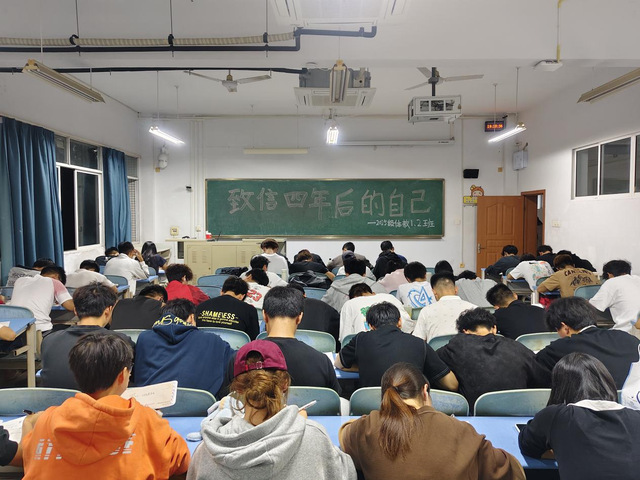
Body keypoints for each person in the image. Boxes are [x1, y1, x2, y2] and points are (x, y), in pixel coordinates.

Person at [22, 333, 190, 479]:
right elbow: (182, 461)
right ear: (122, 375)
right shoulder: (147, 420)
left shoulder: (46, 421)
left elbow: (28, 455)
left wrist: (28, 423)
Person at [187, 340, 356, 480]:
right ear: (285, 384)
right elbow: (346, 473)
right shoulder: (316, 439)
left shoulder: (207, 451)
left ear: (237, 389)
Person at [340, 363, 525, 480]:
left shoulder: (367, 428)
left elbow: (345, 436)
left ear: (385, 397)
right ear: (425, 391)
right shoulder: (461, 431)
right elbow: (509, 469)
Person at [519, 353, 640, 480]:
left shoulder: (557, 416)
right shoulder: (636, 418)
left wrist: (561, 448)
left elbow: (527, 445)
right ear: (607, 383)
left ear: (561, 388)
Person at [336, 302, 458, 390]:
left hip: (372, 409)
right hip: (410, 410)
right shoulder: (419, 344)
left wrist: (364, 366)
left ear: (370, 326)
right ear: (399, 322)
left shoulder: (360, 339)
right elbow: (452, 384)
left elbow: (339, 364)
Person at [437, 308, 543, 407]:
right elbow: (540, 377)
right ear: (494, 329)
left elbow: (435, 372)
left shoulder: (454, 347)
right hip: (519, 410)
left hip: (474, 415)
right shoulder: (518, 347)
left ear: (464, 331)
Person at [40, 284, 135, 389]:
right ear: (108, 310)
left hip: (55, 399)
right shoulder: (121, 342)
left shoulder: (49, 340)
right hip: (98, 399)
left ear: (75, 311)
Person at [135, 299, 234, 398]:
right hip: (200, 406)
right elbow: (238, 361)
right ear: (191, 317)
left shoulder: (144, 338)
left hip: (149, 404)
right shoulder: (212, 340)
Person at [534, 297, 640, 387]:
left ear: (565, 327)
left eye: (557, 330)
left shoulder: (559, 347)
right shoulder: (627, 338)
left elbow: (534, 367)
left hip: (593, 402)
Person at [254, 286, 341, 393]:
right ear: (300, 317)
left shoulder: (242, 357)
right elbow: (333, 398)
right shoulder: (322, 361)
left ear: (264, 315)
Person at [412, 272, 478, 342]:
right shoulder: (474, 309)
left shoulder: (426, 311)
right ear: (456, 289)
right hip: (468, 348)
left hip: (436, 349)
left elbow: (417, 341)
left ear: (434, 292)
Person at [9, 265, 74, 333]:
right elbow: (70, 306)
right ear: (55, 276)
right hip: (39, 330)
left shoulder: (20, 280)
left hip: (14, 330)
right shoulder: (54, 282)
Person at [339, 283, 414, 341]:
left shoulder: (349, 304)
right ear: (373, 293)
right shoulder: (389, 297)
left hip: (366, 347)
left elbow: (345, 338)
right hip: (398, 342)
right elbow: (408, 325)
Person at [196, 276, 260, 340]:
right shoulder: (249, 310)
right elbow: (253, 340)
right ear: (242, 296)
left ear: (221, 292)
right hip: (235, 346)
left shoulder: (201, 306)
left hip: (203, 344)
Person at [589, 259, 640, 335]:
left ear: (609, 274)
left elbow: (592, 306)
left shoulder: (612, 282)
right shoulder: (637, 279)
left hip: (629, 331)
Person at [321, 258, 386, 311]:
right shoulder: (377, 286)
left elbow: (323, 306)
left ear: (346, 273)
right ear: (364, 274)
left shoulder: (334, 288)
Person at [288, 284, 340, 348]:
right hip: (322, 347)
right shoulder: (324, 306)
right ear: (304, 295)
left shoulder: (281, 309)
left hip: (291, 347)